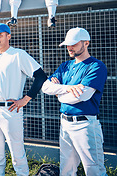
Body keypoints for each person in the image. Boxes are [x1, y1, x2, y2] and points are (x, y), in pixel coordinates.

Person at [0, 23, 47, 176]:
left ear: (8, 36)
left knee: (16, 151)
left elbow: (40, 76)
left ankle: (22, 174)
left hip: (10, 109)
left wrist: (25, 99)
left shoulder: (18, 55)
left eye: (0, 35)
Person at [41, 27, 108, 175]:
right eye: (68, 44)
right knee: (66, 168)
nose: (69, 48)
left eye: (74, 44)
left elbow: (81, 96)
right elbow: (45, 87)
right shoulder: (65, 66)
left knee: (94, 169)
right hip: (65, 123)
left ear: (86, 43)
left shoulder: (96, 66)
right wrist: (68, 88)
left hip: (85, 125)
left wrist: (58, 93)